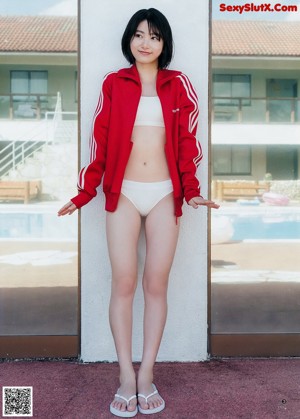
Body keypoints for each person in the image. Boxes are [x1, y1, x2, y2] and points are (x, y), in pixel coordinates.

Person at [58, 8, 219, 417]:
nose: (145, 43)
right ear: (129, 39)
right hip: (124, 193)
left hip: (166, 193)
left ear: (165, 43)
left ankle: (146, 374)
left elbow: (188, 143)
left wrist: (193, 191)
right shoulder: (115, 83)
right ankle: (125, 376)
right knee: (124, 283)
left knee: (156, 285)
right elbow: (100, 141)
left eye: (155, 36)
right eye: (138, 35)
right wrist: (83, 193)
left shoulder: (178, 84)